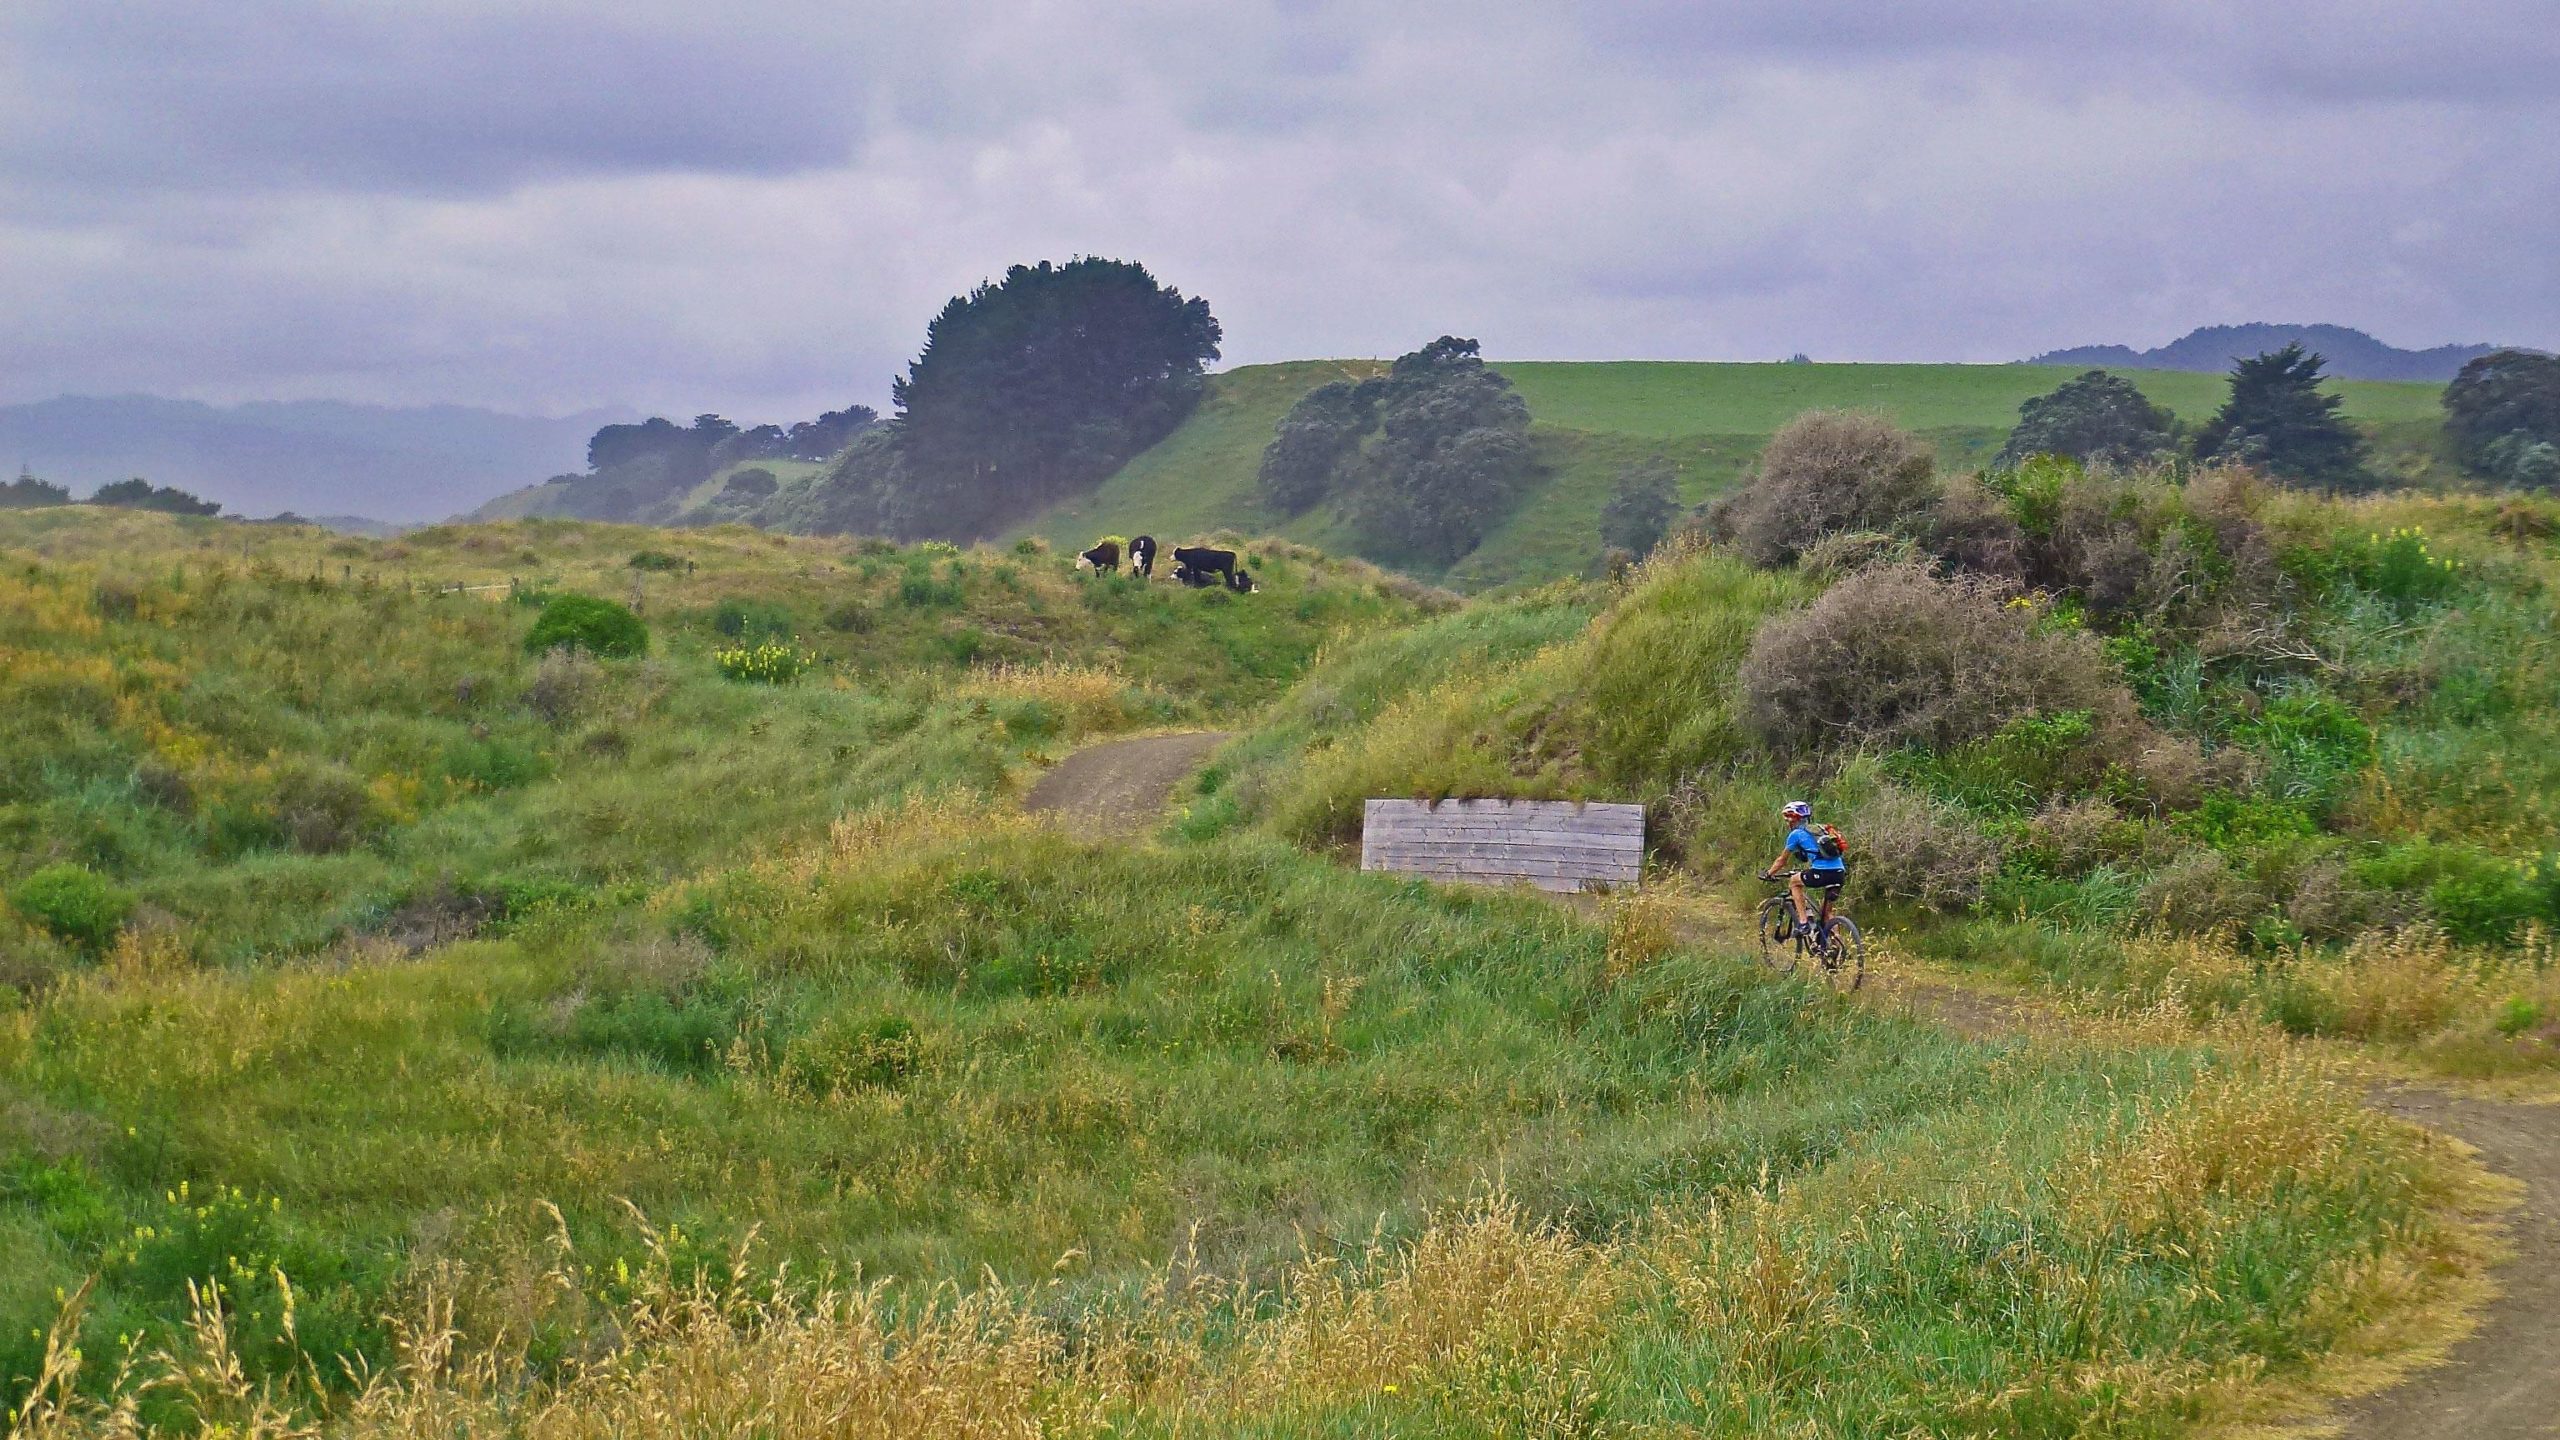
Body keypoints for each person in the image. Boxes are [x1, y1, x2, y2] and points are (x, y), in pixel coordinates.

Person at [1759, 800, 1846, 939]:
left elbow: (1782, 860)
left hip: (1821, 873)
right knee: (1827, 913)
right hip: (1839, 873)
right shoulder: (1821, 829)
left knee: (1794, 882)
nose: (1788, 822)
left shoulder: (1796, 834)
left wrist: (1769, 873)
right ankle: (1836, 947)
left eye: (1789, 818)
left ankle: (1803, 923)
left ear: (1795, 819)